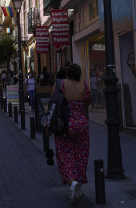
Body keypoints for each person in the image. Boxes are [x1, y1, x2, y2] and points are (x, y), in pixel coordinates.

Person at [51, 63, 91, 204]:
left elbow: (53, 104)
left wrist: (48, 125)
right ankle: (78, 182)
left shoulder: (60, 84)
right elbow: (86, 104)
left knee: (64, 154)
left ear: (67, 73)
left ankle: (72, 183)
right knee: (80, 154)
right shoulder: (85, 86)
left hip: (65, 125)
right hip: (82, 124)